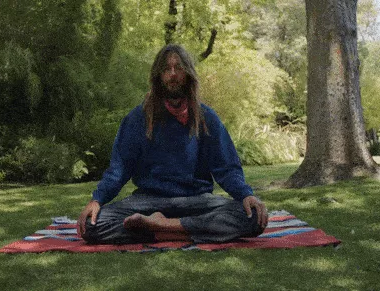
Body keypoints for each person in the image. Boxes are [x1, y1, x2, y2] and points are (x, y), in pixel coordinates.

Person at [77, 44, 268, 244]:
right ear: (158, 76)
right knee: (92, 225)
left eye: (179, 68)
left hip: (196, 200)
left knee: (253, 217)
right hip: (148, 201)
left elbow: (227, 168)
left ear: (188, 73)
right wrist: (97, 200)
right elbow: (119, 168)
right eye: (167, 69)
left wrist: (246, 195)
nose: (173, 74)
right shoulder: (137, 119)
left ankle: (159, 228)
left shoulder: (206, 118)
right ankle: (182, 228)